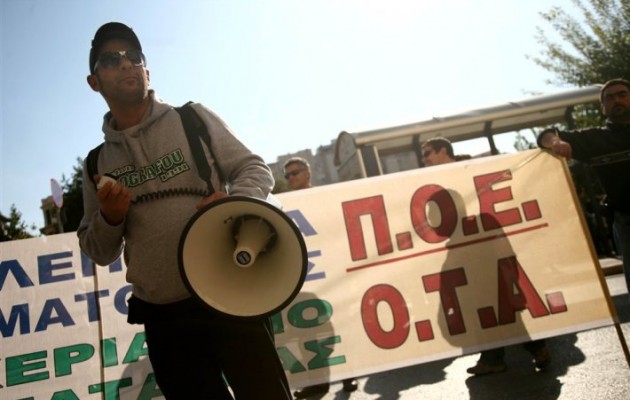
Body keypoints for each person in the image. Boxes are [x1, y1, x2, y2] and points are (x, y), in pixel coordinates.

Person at [77, 22, 292, 399]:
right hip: (164, 318)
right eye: (112, 59)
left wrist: (234, 200)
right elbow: (97, 249)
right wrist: (110, 219)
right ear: (94, 82)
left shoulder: (192, 119)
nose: (126, 64)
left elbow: (254, 170)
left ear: (147, 70)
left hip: (231, 291)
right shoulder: (97, 163)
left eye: (134, 57)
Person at [421, 138, 551, 376]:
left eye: (428, 153)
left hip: (481, 243)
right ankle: (514, 351)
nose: (425, 158)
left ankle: (507, 353)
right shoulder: (434, 183)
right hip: (463, 246)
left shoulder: (471, 169)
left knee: (493, 297)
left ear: (444, 151)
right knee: (483, 301)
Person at [538, 78, 630, 296]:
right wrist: (555, 143)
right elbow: (545, 135)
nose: (617, 100)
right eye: (610, 98)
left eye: (622, 94)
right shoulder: (596, 139)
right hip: (627, 220)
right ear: (603, 108)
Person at [282, 157, 359, 398]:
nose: (291, 178)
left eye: (295, 173)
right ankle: (317, 382)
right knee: (308, 331)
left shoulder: (324, 197)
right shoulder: (282, 205)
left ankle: (350, 374)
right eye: (287, 175)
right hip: (306, 278)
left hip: (332, 272)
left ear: (308, 173)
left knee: (340, 325)